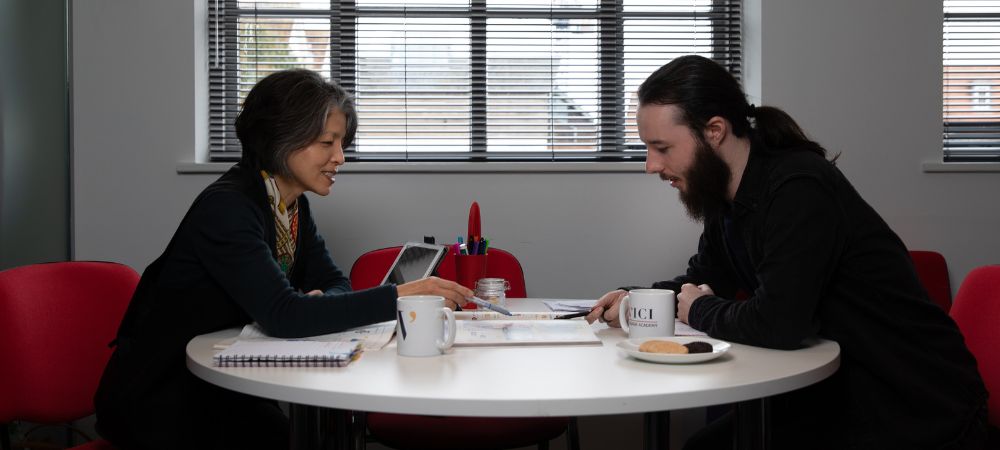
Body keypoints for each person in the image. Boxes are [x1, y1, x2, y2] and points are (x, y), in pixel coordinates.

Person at [586, 55, 988, 449]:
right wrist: (635, 301)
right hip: (835, 391)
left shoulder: (798, 188)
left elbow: (779, 322)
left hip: (910, 401)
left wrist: (701, 309)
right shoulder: (724, 195)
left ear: (714, 131)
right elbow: (705, 280)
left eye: (661, 147)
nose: (650, 165)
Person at [94, 69, 473, 450]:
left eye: (341, 143)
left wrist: (317, 303)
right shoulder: (228, 208)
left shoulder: (292, 207)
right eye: (328, 142)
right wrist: (400, 296)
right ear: (282, 139)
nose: (340, 158)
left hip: (222, 389)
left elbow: (334, 280)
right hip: (164, 395)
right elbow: (283, 315)